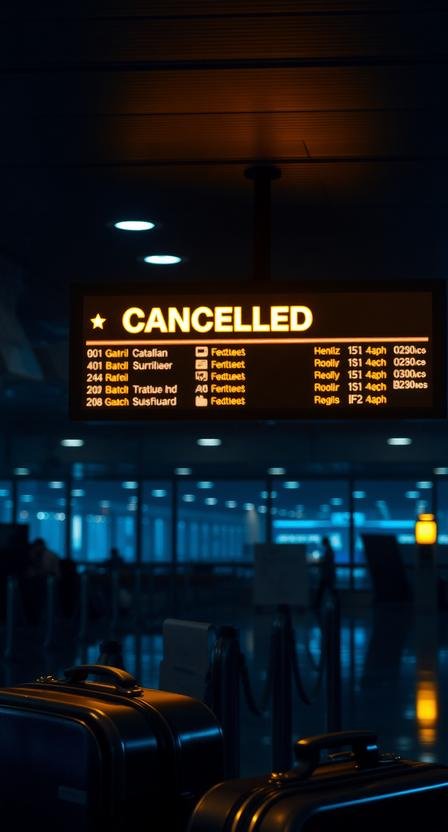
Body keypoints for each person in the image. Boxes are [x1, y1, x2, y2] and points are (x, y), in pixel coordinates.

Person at [314, 535, 336, 609]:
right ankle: (317, 605)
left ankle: (317, 606)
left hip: (327, 575)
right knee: (328, 591)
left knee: (322, 591)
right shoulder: (329, 550)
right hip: (328, 575)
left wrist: (320, 561)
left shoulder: (328, 551)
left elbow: (326, 563)